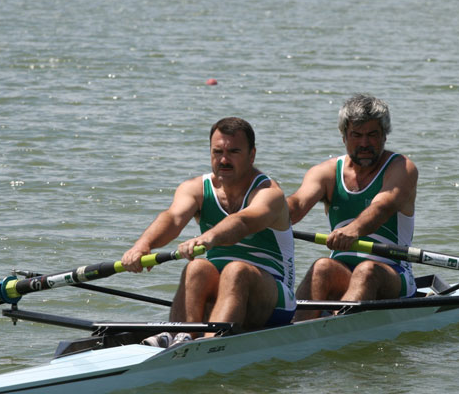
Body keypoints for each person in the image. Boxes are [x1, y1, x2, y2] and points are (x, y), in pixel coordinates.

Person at [121, 117, 295, 344]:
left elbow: (243, 221)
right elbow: (173, 218)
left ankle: (209, 345)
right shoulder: (195, 188)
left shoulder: (269, 193)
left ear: (251, 155)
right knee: (197, 267)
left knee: (236, 271)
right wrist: (143, 245)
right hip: (222, 293)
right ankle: (182, 336)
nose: (224, 160)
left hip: (275, 299)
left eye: (233, 152)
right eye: (217, 152)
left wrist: (208, 237)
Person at [287, 94, 418, 321]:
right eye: (356, 135)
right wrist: (251, 218)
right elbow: (296, 206)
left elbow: (382, 207)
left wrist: (354, 229)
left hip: (392, 272)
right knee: (322, 266)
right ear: (344, 136)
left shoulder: (401, 168)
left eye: (372, 135)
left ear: (384, 136)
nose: (364, 143)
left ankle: (336, 328)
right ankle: (293, 330)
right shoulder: (325, 172)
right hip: (341, 270)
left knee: (366, 270)